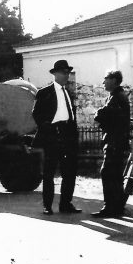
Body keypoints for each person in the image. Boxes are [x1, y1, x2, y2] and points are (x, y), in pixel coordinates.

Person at [32, 59, 81, 215]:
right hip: (52, 135)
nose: (67, 75)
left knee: (69, 172)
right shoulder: (44, 92)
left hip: (67, 135)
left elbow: (71, 116)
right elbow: (36, 114)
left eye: (68, 73)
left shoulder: (68, 93)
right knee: (49, 173)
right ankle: (47, 206)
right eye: (63, 73)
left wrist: (74, 136)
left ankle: (66, 204)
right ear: (55, 74)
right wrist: (48, 129)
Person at [92, 69, 130, 218]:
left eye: (106, 78)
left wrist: (98, 114)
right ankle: (118, 207)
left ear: (113, 80)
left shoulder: (116, 97)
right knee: (115, 175)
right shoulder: (117, 96)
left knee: (107, 173)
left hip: (114, 141)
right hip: (117, 141)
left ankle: (109, 207)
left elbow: (104, 115)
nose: (103, 82)